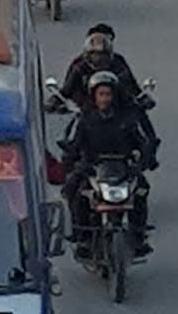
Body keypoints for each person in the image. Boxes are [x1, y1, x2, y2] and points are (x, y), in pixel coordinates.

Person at [61, 73, 153, 260]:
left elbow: (142, 142)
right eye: (101, 94)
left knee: (142, 190)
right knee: (74, 191)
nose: (104, 99)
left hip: (121, 167)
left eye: (108, 94)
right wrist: (70, 161)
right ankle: (83, 238)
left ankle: (138, 236)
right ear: (94, 96)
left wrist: (144, 160)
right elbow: (72, 144)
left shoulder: (126, 119)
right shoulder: (84, 119)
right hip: (92, 168)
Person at [60, 26, 159, 162]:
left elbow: (133, 87)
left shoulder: (118, 63)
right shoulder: (79, 66)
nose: (99, 58)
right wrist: (55, 101)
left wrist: (143, 99)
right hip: (87, 107)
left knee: (139, 116)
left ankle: (150, 155)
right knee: (73, 142)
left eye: (103, 55)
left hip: (118, 106)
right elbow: (66, 90)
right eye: (95, 54)